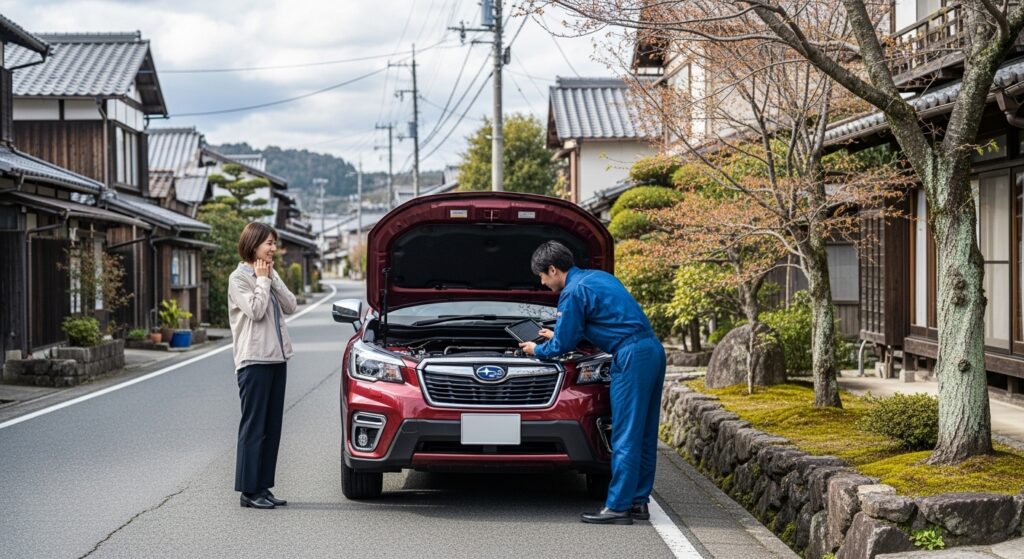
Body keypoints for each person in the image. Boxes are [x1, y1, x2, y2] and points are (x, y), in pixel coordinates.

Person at [519, 240, 666, 525]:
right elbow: (598, 322)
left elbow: (562, 346)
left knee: (624, 433)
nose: (541, 282)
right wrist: (557, 335)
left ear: (552, 269)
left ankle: (618, 507)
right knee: (644, 433)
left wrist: (537, 349)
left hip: (630, 356)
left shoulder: (571, 292)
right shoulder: (598, 278)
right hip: (651, 350)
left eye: (542, 276)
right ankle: (638, 502)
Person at [228, 222, 297, 509]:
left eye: (274, 243)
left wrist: (271, 278)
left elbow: (291, 305)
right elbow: (255, 312)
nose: (273, 248)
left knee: (272, 426)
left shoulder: (268, 274)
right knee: (254, 426)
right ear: (253, 244)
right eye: (268, 243)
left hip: (276, 358)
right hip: (253, 360)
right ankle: (248, 491)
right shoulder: (239, 278)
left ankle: (263, 486)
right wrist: (262, 280)